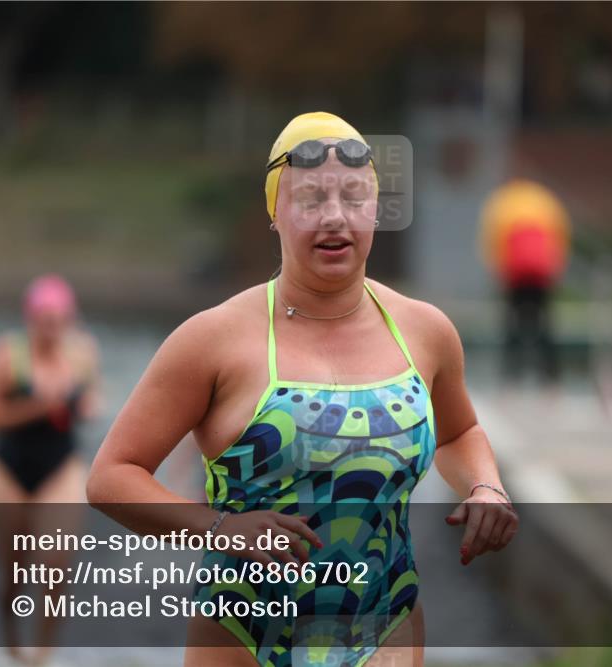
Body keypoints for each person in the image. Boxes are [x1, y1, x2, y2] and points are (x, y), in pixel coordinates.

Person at [87, 111, 518, 667]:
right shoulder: (214, 339)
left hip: (386, 627)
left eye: (354, 197)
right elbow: (111, 476)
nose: (335, 217)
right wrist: (220, 529)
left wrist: (486, 487)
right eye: (311, 199)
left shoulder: (424, 331)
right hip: (244, 637)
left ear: (376, 209)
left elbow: (460, 433)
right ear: (274, 212)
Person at [0, 274, 101, 664]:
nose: (51, 329)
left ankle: (43, 654)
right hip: (8, 469)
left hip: (59, 467)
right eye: (44, 320)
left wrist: (82, 406)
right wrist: (37, 407)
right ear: (30, 319)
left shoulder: (81, 353)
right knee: (14, 573)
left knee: (55, 567)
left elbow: (94, 399)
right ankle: (12, 646)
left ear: (69, 319)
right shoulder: (7, 355)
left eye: (59, 320)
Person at [479, 179, 570, 386]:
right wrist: (557, 267)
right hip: (541, 276)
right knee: (545, 326)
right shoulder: (546, 202)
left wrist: (496, 269)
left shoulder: (503, 204)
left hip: (514, 276)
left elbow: (491, 239)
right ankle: (551, 379)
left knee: (512, 326)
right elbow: (561, 236)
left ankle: (511, 378)